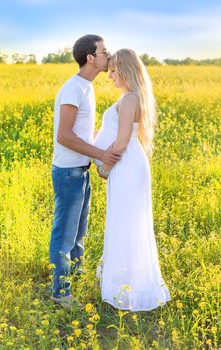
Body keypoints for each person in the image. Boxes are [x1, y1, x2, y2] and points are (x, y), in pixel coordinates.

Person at [94, 49, 171, 311]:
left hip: (125, 164)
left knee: (125, 222)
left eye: (114, 70)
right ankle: (127, 283)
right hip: (129, 164)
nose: (110, 76)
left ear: (126, 70)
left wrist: (103, 168)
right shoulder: (131, 98)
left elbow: (123, 140)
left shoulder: (129, 100)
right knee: (127, 222)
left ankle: (128, 289)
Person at [50, 34, 122, 308]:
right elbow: (65, 136)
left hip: (81, 169)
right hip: (69, 172)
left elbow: (82, 134)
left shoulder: (86, 87)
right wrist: (102, 154)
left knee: (79, 232)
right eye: (104, 51)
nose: (108, 55)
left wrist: (104, 146)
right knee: (65, 234)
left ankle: (76, 278)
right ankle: (60, 292)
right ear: (91, 57)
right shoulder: (73, 89)